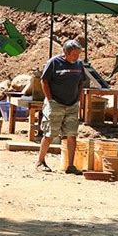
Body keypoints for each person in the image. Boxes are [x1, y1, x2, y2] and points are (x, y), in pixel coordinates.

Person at [35, 40, 86, 174]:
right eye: (74, 55)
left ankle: (70, 166)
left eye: (78, 55)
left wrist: (78, 98)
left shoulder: (79, 64)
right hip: (55, 103)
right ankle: (40, 162)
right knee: (50, 134)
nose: (76, 57)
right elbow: (44, 81)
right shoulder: (53, 63)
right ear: (65, 52)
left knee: (71, 134)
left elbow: (81, 82)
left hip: (72, 105)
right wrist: (50, 100)